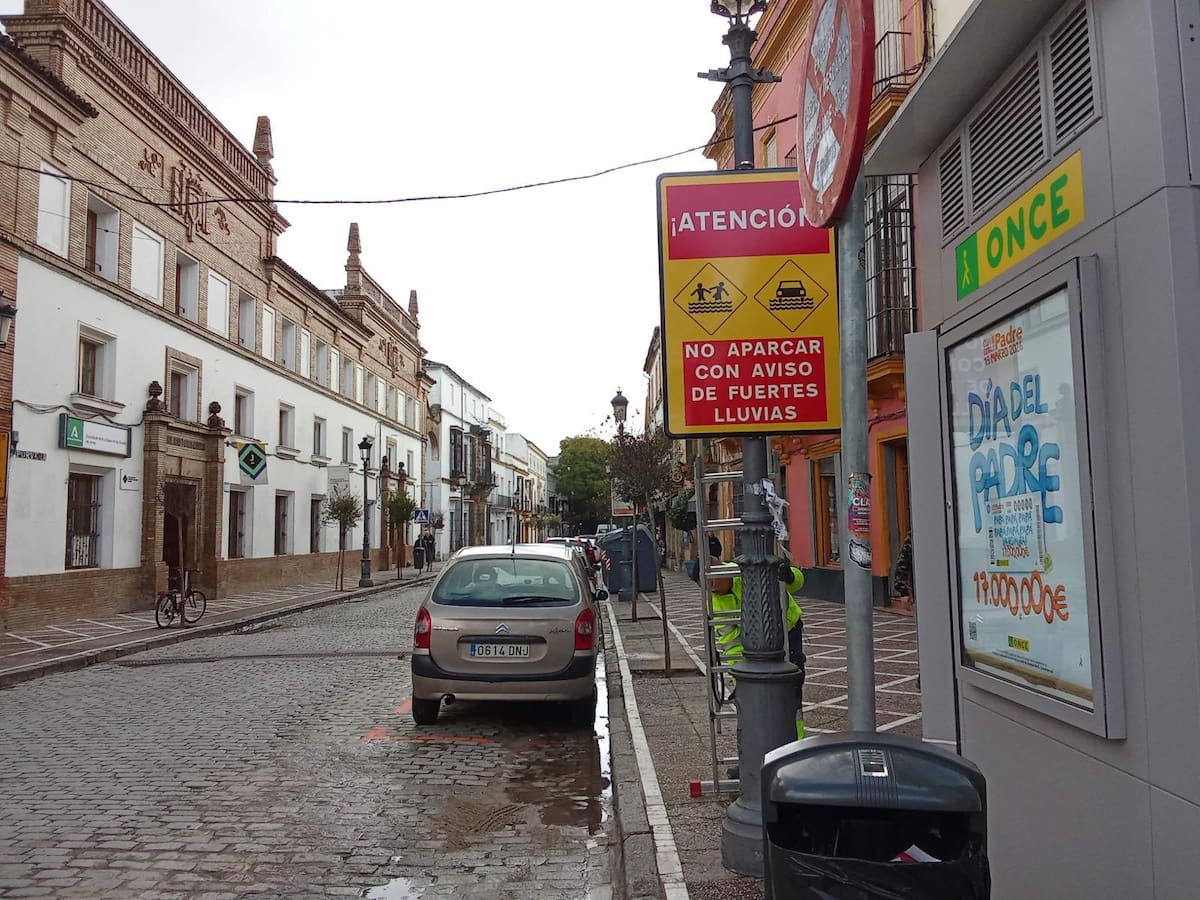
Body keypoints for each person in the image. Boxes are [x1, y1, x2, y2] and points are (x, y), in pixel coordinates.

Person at [704, 536, 806, 742]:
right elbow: (731, 643)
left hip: (788, 631)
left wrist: (788, 576)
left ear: (722, 570)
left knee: (791, 688)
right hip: (755, 645)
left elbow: (797, 582)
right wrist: (738, 680)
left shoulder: (747, 569)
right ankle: (756, 749)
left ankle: (795, 743)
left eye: (715, 583)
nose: (714, 589)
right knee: (754, 700)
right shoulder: (714, 601)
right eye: (708, 586)